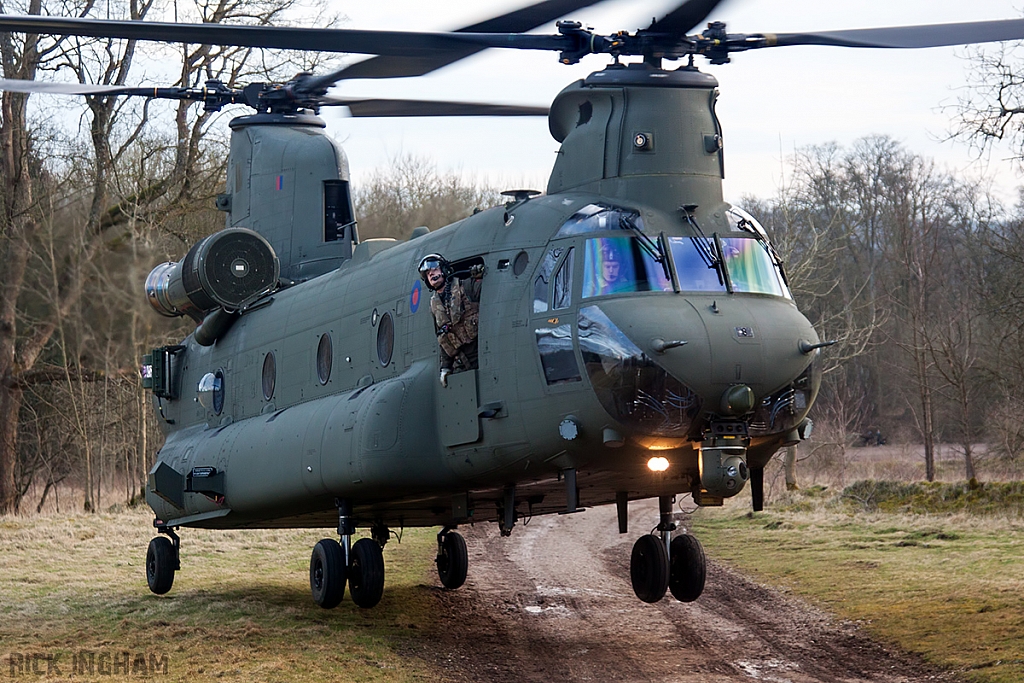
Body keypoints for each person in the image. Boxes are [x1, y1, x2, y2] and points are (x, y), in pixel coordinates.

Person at [418, 253, 484, 386]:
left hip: (481, 354)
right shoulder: (434, 306)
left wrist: (482, 274)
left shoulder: (466, 286)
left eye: (434, 269)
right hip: (462, 363)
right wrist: (445, 367)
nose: (431, 274)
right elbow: (442, 338)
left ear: (444, 270)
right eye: (427, 273)